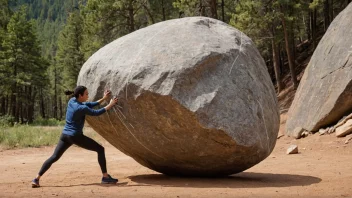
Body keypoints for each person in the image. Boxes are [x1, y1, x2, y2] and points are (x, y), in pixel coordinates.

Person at [31, 86, 119, 188]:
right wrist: (111, 104)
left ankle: (36, 178)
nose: (88, 95)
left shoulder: (72, 100)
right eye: (86, 94)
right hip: (75, 136)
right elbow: (96, 112)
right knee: (100, 149)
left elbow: (90, 104)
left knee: (54, 157)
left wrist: (104, 99)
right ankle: (105, 177)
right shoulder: (81, 108)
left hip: (65, 135)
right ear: (80, 95)